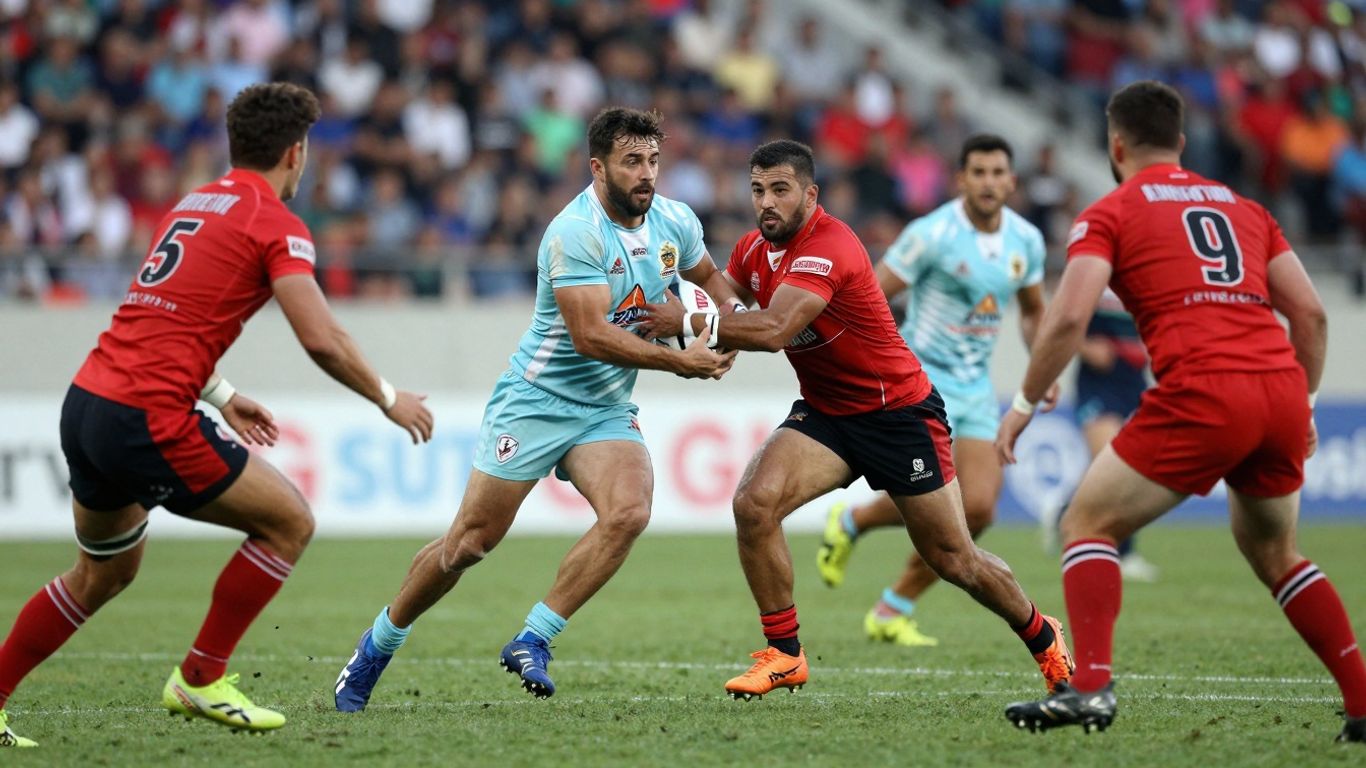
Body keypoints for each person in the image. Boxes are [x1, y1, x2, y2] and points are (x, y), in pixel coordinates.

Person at [0, 82, 433, 748]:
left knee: (102, 573)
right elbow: (320, 338)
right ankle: (201, 677)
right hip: (146, 413)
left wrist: (222, 395)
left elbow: (159, 320)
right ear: (296, 152)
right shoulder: (275, 222)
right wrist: (387, 396)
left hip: (88, 401)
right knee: (289, 521)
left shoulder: (193, 203)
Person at [996, 81, 1366, 744]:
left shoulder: (1109, 212)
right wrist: (1304, 402)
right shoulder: (1248, 209)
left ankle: (1091, 690)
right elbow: (1308, 312)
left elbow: (1070, 316)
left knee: (1087, 520)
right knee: (1278, 553)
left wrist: (1025, 401)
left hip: (1204, 389)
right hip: (1278, 386)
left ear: (1115, 145)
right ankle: (1363, 702)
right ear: (1182, 145)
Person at [332, 107, 736, 711]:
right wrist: (682, 360)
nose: (646, 173)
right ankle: (376, 647)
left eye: (653, 160)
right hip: (536, 402)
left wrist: (720, 326)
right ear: (598, 168)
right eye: (632, 162)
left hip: (603, 410)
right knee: (467, 545)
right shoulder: (575, 232)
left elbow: (717, 284)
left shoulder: (675, 221)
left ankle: (533, 639)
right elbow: (590, 336)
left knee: (629, 511)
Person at [643, 139, 1073, 701]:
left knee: (955, 559)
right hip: (828, 414)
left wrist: (692, 319)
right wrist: (695, 339)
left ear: (809, 194)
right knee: (754, 504)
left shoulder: (831, 245)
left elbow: (771, 331)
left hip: (898, 415)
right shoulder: (754, 249)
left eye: (780, 190)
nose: (766, 203)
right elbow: (729, 309)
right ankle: (785, 655)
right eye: (757, 190)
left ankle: (1044, 636)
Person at [813, 134, 1054, 648]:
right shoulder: (931, 234)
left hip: (975, 387)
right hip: (920, 382)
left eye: (998, 173)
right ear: (961, 179)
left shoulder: (1026, 242)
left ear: (1012, 181)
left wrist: (1043, 366)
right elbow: (869, 294)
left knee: (982, 508)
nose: (989, 183)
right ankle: (884, 587)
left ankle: (884, 589)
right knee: (946, 509)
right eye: (979, 173)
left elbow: (1034, 313)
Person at [1039, 288, 1160, 583]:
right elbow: (1055, 317)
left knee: (1130, 470)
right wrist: (1084, 346)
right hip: (1097, 386)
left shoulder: (1138, 276)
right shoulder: (1093, 270)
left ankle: (1062, 512)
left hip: (1133, 383)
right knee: (1113, 462)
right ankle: (1124, 553)